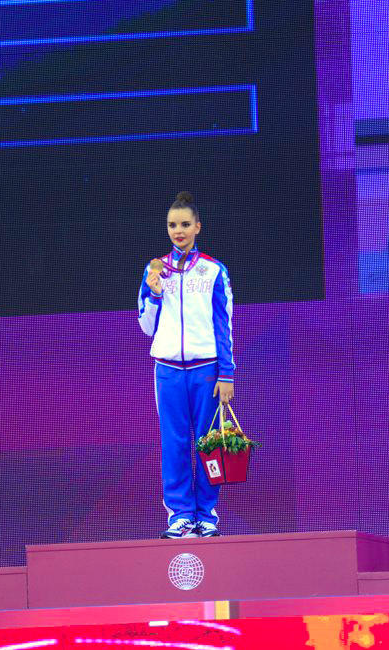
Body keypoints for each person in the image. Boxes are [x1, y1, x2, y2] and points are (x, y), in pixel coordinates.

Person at [138, 191, 235, 539]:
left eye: (183, 224)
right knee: (174, 443)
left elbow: (224, 325)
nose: (177, 230)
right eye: (171, 225)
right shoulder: (155, 271)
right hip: (167, 369)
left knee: (208, 443)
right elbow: (146, 327)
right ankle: (180, 515)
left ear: (197, 227)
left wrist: (227, 373)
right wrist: (154, 293)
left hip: (207, 368)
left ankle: (207, 515)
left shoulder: (213, 271)